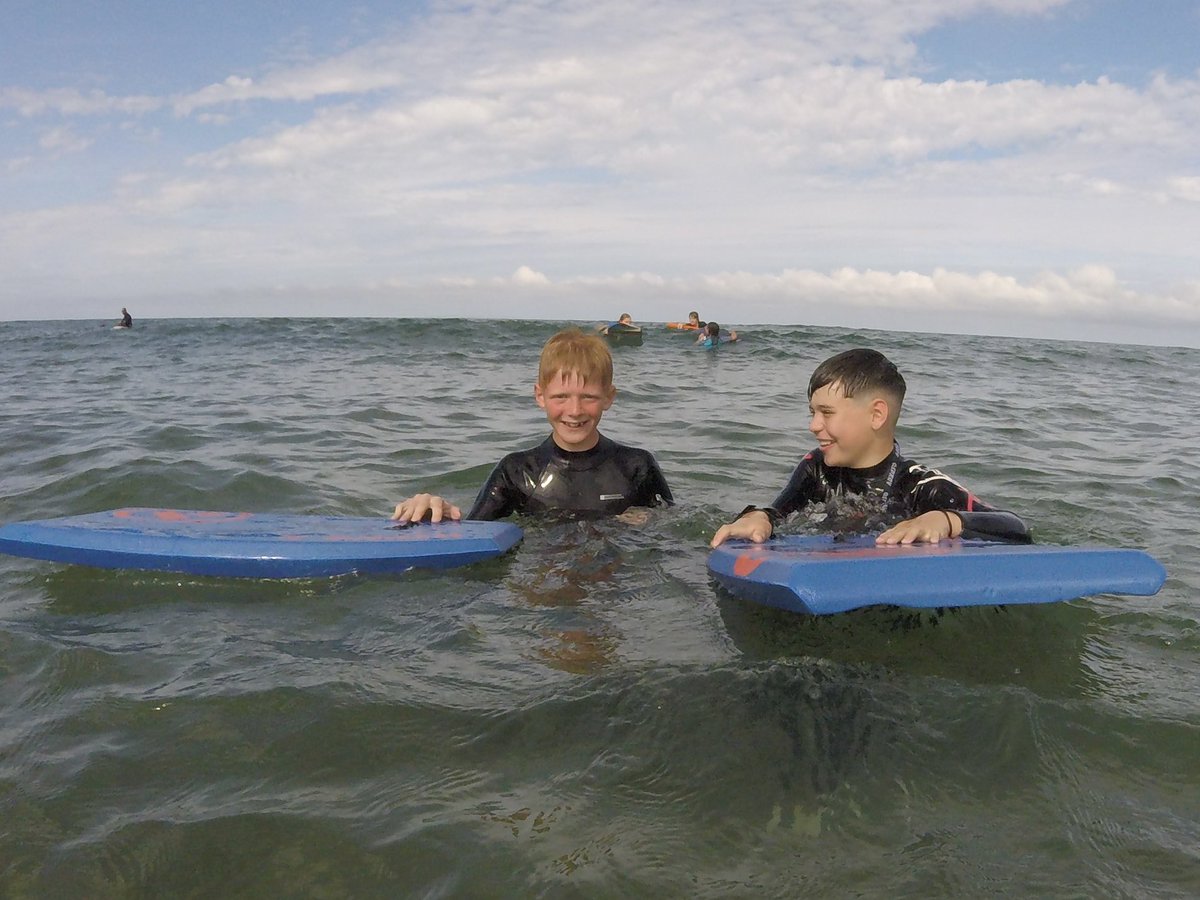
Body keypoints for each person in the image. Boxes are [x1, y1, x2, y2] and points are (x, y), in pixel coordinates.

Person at [710, 348, 1030, 547]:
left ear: (876, 414)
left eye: (827, 413)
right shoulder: (817, 468)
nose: (813, 425)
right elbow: (781, 511)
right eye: (812, 413)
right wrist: (760, 517)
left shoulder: (922, 487)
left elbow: (1016, 527)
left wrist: (945, 520)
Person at [393, 327, 673, 523]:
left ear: (608, 398)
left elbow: (673, 535)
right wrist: (435, 511)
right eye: (560, 397)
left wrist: (650, 522)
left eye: (588, 397)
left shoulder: (637, 467)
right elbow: (474, 534)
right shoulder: (517, 472)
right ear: (540, 396)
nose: (574, 411)